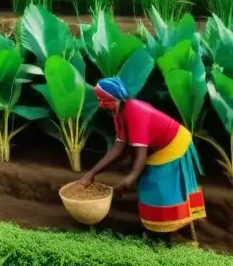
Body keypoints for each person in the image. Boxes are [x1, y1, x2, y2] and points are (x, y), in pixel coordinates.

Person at [79, 77, 205, 241]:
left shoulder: (136, 112)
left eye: (101, 101)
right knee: (151, 184)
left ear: (113, 100)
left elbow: (140, 153)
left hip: (175, 143)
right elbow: (117, 148)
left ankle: (170, 232)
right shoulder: (119, 113)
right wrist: (91, 174)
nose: (99, 105)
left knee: (158, 185)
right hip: (163, 144)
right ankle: (161, 229)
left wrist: (132, 176)